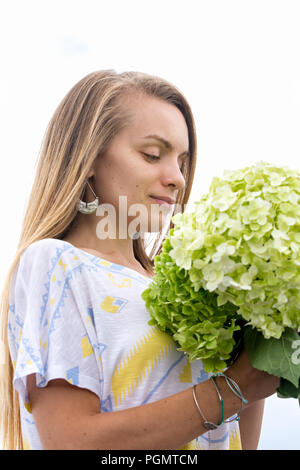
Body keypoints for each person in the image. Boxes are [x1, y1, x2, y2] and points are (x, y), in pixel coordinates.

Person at [0, 70, 279, 451]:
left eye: (182, 161)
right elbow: (70, 441)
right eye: (152, 155)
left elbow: (235, 441)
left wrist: (261, 333)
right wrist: (234, 387)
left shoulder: (184, 290)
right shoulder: (57, 264)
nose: (178, 178)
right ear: (89, 158)